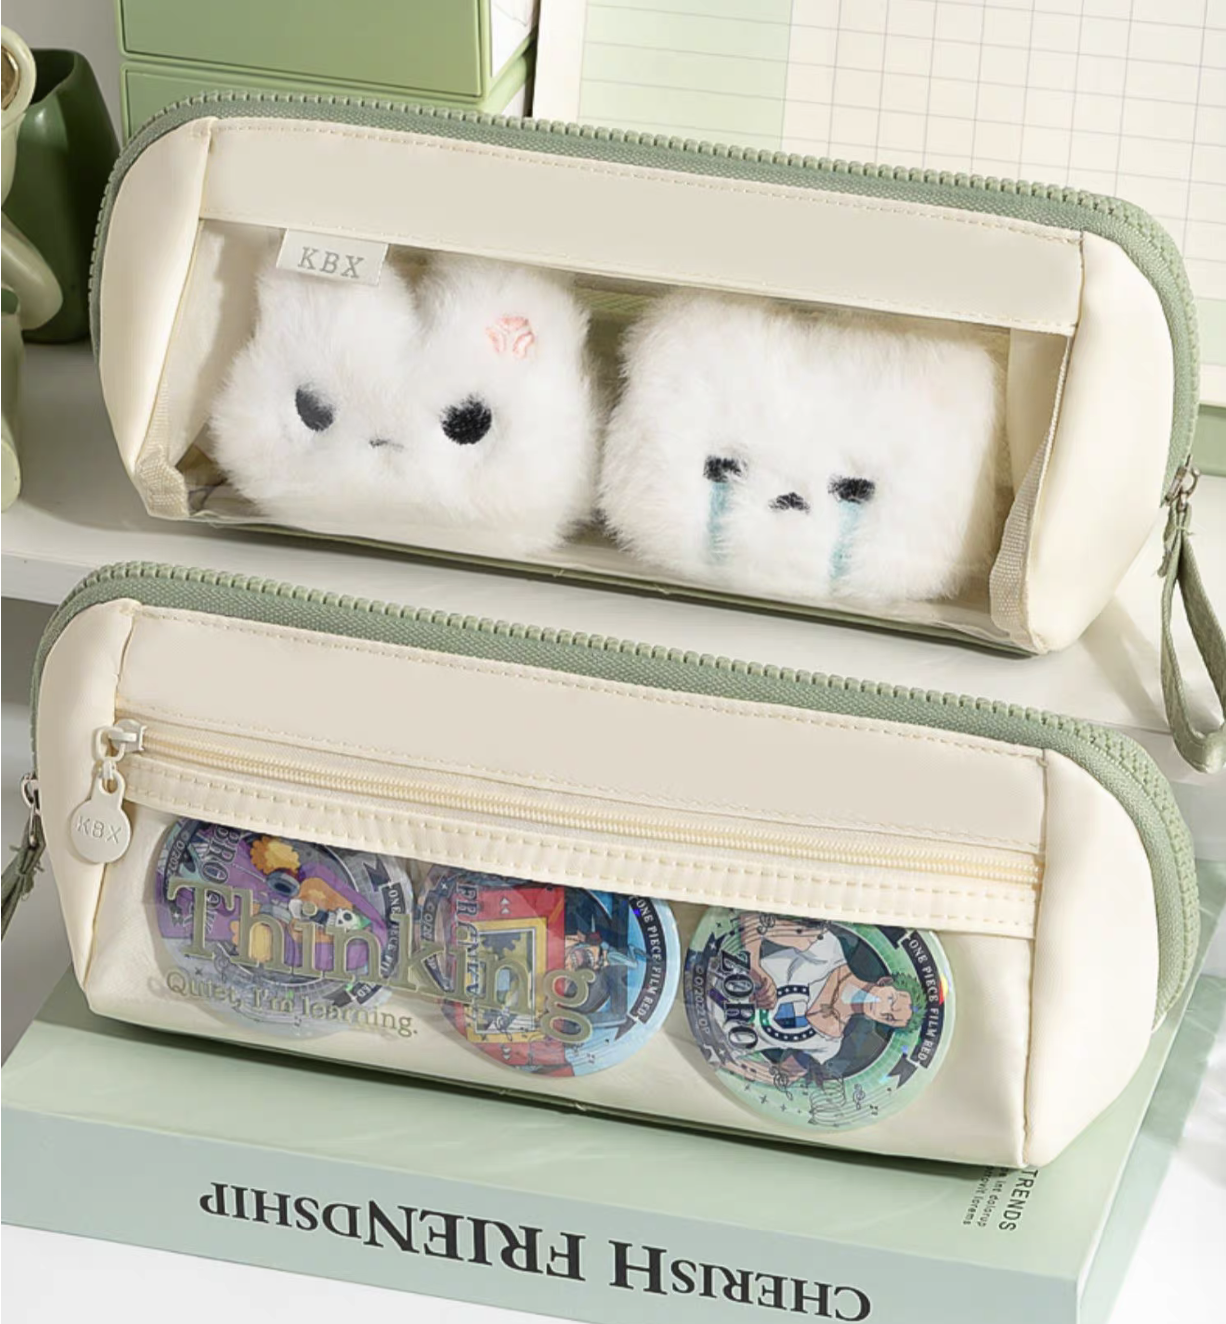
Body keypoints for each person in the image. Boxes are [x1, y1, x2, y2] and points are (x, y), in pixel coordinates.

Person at [738, 920, 915, 1067]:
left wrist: (728, 1061)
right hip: (727, 980)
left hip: (729, 1038)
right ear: (884, 982)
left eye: (889, 1018)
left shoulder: (830, 1045)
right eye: (890, 1000)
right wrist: (755, 968)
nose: (883, 1010)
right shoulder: (827, 949)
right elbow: (753, 922)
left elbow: (781, 1076)